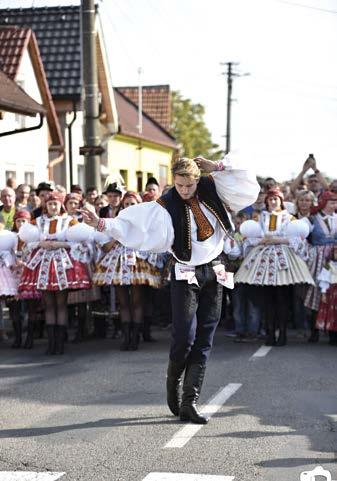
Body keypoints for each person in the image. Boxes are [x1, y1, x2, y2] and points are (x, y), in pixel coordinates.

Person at [82, 155, 259, 424]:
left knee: (206, 335)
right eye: (179, 186)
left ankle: (190, 401)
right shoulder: (165, 205)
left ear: (197, 180)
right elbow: (135, 223)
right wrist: (101, 223)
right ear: (173, 182)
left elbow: (247, 183)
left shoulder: (213, 187)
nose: (185, 191)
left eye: (189, 185)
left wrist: (219, 167)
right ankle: (172, 383)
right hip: (185, 270)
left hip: (215, 269)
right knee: (184, 337)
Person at [235, 188, 314, 347]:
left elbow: (297, 239)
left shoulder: (289, 218)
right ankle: (270, 333)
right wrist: (262, 241)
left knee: (282, 298)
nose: (272, 202)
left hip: (284, 259)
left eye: (275, 199)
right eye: (270, 199)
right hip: (263, 258)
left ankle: (283, 334)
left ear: (281, 201)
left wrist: (276, 239)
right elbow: (251, 237)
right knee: (267, 300)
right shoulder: (260, 218)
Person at [18, 191, 92, 355]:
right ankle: (52, 343)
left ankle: (60, 343)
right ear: (46, 205)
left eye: (56, 204)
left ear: (61, 205)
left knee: (61, 304)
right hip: (42, 264)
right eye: (50, 204)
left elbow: (80, 242)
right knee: (49, 305)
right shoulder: (37, 221)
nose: (52, 206)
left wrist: (60, 244)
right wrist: (40, 243)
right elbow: (26, 242)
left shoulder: (69, 221)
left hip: (63, 266)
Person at [93, 191, 161, 351]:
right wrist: (118, 236)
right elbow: (104, 245)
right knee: (123, 302)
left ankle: (135, 338)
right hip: (118, 260)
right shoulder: (116, 221)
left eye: (132, 204)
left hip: (138, 260)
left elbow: (153, 241)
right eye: (126, 204)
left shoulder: (146, 221)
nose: (129, 206)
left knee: (137, 301)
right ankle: (127, 337)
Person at [304, 191, 337, 342]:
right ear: (324, 203)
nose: (335, 205)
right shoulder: (311, 219)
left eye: (335, 202)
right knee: (315, 293)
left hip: (335, 259)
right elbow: (302, 237)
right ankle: (314, 331)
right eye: (332, 202)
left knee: (333, 294)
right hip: (317, 258)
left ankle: (332, 332)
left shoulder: (336, 218)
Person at [316, 245, 337, 345]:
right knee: (331, 314)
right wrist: (324, 293)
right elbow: (324, 279)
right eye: (336, 252)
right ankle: (332, 337)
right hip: (332, 293)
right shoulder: (328, 264)